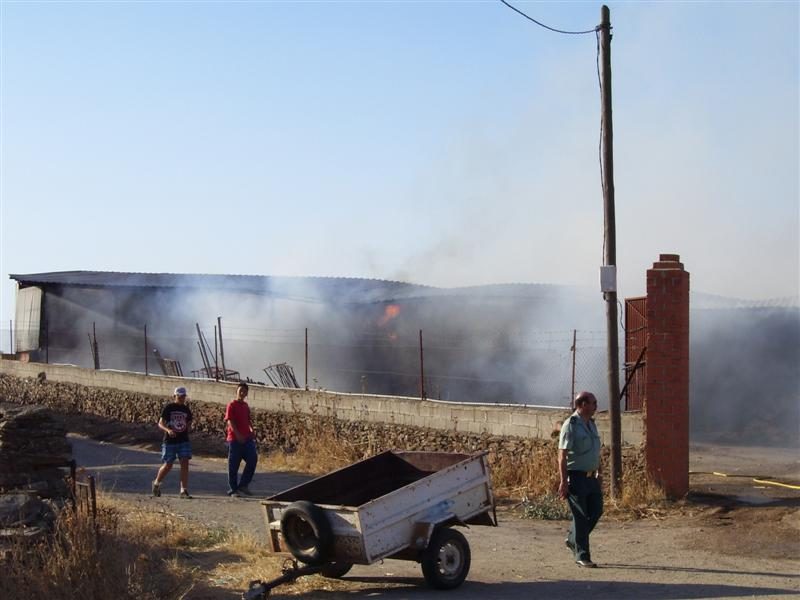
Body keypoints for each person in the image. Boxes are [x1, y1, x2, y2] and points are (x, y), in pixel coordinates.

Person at [558, 391, 603, 568]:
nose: (596, 406)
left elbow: (595, 452)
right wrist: (563, 481)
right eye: (593, 403)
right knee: (581, 517)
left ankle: (572, 539)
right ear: (583, 405)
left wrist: (599, 472)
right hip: (576, 477)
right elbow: (562, 456)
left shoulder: (591, 424)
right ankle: (582, 555)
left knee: (596, 510)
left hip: (591, 477)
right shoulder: (571, 425)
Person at [152, 386, 193, 499]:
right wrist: (168, 430)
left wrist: (187, 428)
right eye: (179, 397)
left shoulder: (186, 409)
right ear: (175, 396)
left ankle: (183, 490)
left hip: (183, 440)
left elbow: (189, 422)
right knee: (168, 465)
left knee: (185, 463)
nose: (182, 399)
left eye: (183, 396)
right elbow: (160, 423)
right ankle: (156, 483)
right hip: (170, 440)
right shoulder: (169, 408)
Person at [225, 382, 258, 496]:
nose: (242, 393)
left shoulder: (245, 406)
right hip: (235, 440)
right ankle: (233, 489)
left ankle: (243, 485)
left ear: (247, 393)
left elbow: (248, 420)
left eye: (245, 391)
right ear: (237, 391)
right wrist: (237, 434)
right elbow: (230, 421)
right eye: (241, 391)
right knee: (233, 465)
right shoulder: (231, 405)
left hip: (247, 439)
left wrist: (251, 430)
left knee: (253, 459)